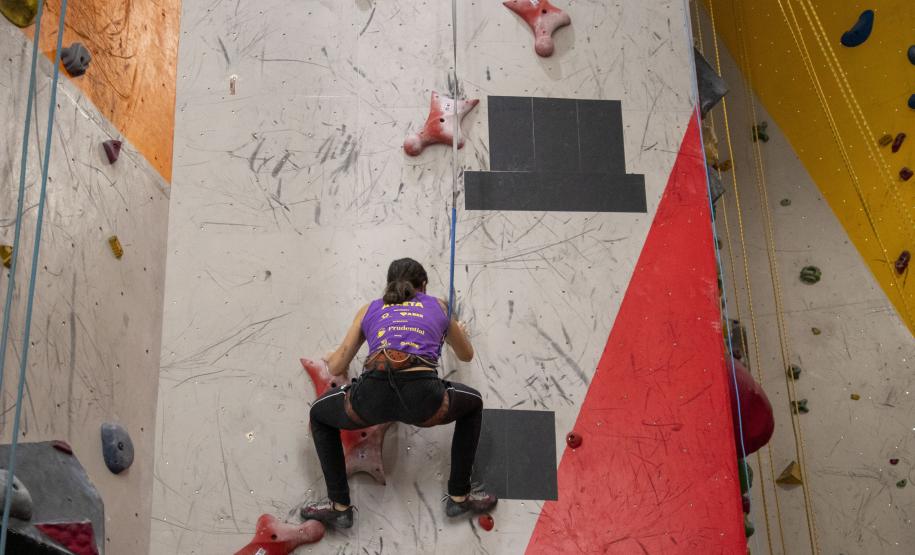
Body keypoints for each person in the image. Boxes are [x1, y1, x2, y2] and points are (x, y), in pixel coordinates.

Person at [300, 258, 497, 529]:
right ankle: (458, 497)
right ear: (423, 285)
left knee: (319, 414)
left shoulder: (370, 309)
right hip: (423, 400)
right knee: (473, 403)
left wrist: (336, 353)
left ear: (389, 284)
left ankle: (340, 507)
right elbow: (466, 355)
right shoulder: (439, 306)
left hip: (372, 396)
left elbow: (335, 367)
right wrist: (458, 332)